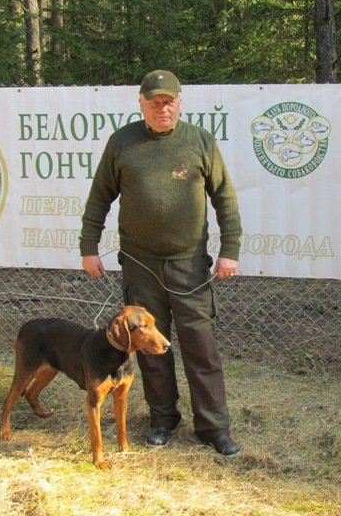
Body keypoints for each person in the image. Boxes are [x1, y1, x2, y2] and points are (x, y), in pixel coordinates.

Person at [79, 69, 243, 456]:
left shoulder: (200, 142)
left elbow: (225, 199)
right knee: (150, 349)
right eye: (154, 102)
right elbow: (99, 197)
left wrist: (230, 249)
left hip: (190, 265)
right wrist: (89, 246)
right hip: (140, 264)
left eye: (168, 101)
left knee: (201, 347)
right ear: (141, 104)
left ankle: (213, 427)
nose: (162, 108)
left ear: (180, 103)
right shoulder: (123, 144)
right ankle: (162, 419)